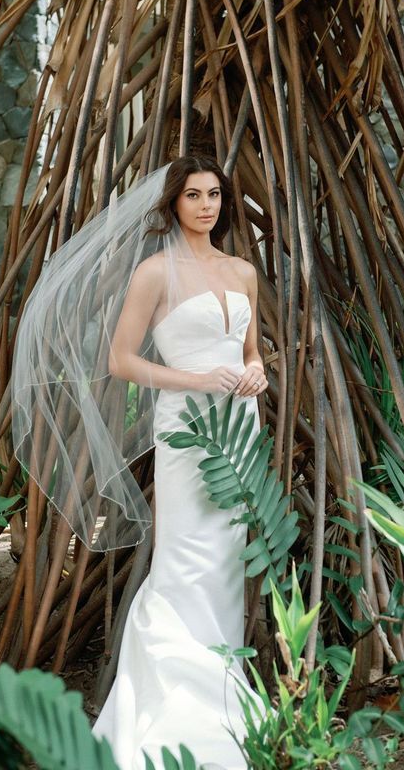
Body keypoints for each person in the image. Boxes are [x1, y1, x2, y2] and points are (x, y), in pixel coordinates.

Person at [90, 155, 268, 768]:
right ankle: (173, 707)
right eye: (193, 195)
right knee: (185, 557)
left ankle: (221, 697)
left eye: (214, 194)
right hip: (188, 431)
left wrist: (256, 375)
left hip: (239, 429)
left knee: (225, 561)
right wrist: (196, 378)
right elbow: (121, 361)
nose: (205, 206)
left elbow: (252, 352)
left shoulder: (242, 271)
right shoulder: (154, 273)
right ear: (173, 204)